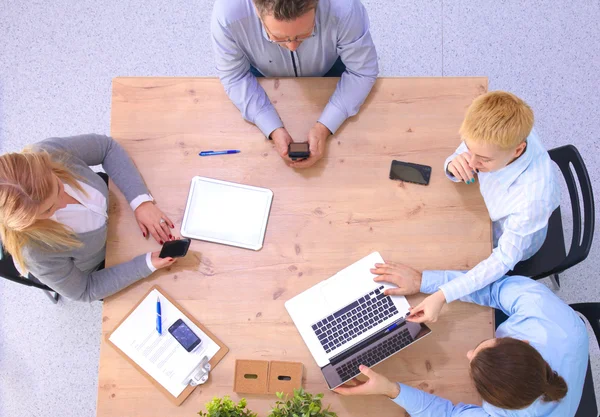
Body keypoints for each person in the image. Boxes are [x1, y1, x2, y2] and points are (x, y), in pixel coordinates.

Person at [334, 262, 588, 416]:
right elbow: (493, 287)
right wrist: (429, 284)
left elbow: (446, 415)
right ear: (523, 342)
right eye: (481, 348)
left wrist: (390, 389)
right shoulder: (546, 313)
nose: (468, 354)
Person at [406, 91, 560, 323]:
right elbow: (469, 150)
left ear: (517, 150)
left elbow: (502, 261)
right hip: (485, 214)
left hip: (511, 240)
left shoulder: (531, 201)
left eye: (484, 160)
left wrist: (443, 294)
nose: (472, 163)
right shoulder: (504, 131)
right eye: (470, 151)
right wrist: (452, 165)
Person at [0, 134, 179, 302]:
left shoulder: (49, 151)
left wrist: (140, 201)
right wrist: (146, 264)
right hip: (105, 264)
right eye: (48, 210)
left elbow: (107, 148)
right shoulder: (36, 253)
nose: (64, 202)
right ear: (28, 223)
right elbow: (84, 290)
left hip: (120, 209)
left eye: (57, 186)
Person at [211, 0, 378, 169]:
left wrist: (325, 126)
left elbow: (361, 71)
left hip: (331, 65)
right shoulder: (227, 15)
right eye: (278, 38)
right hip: (264, 73)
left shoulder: (345, 7)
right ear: (256, 9)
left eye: (305, 34)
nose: (292, 47)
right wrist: (271, 127)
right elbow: (235, 75)